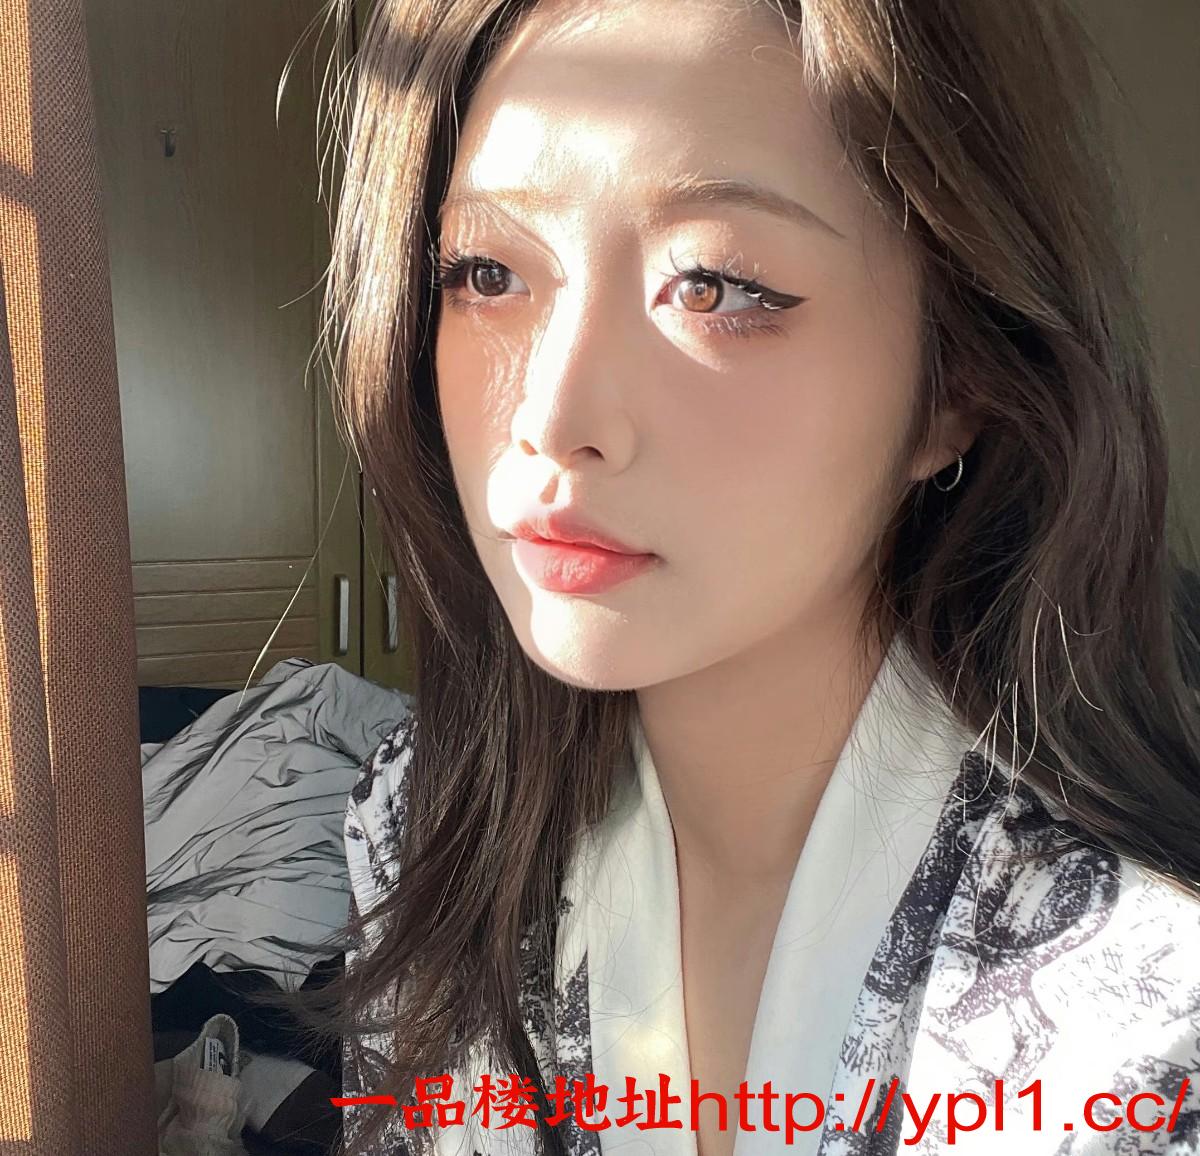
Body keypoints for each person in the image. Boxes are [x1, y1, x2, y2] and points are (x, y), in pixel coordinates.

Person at [283, 0, 1200, 1153]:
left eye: (715, 284)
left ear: (955, 381)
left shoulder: (1140, 1005)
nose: (552, 417)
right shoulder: (418, 817)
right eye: (486, 270)